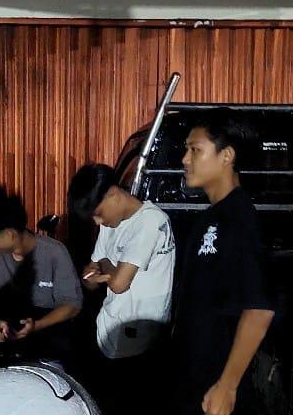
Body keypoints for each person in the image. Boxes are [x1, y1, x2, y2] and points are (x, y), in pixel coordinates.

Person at [171, 109, 275, 415]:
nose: (185, 160)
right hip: (193, 380)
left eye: (195, 150)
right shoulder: (209, 218)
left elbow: (259, 309)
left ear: (226, 156)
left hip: (216, 389)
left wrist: (227, 386)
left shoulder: (240, 218)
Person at [67, 163, 175, 413]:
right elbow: (90, 274)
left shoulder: (151, 221)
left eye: (98, 214)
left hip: (141, 342)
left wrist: (104, 266)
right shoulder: (109, 224)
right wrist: (95, 274)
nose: (97, 221)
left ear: (113, 194)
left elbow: (118, 283)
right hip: (110, 331)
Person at [0, 187, 83, 368]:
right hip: (4, 339)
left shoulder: (55, 252)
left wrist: (37, 325)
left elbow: (72, 305)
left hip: (47, 339)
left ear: (10, 235)